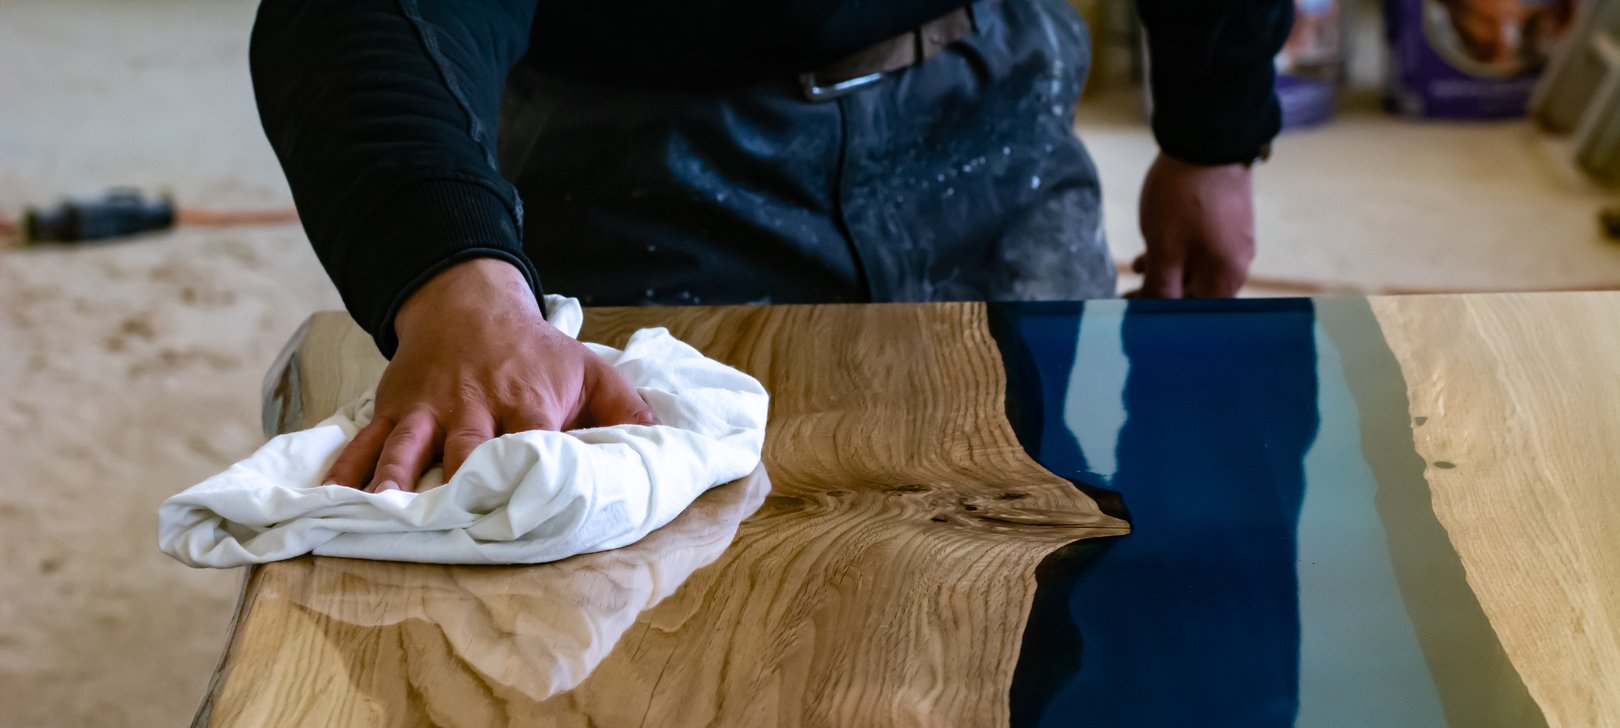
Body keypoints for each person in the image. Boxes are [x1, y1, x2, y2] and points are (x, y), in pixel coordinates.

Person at [250, 0, 1293, 493]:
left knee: (1019, 513)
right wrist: (460, 289)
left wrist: (1215, 129)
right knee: (666, 583)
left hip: (978, 89)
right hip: (644, 147)